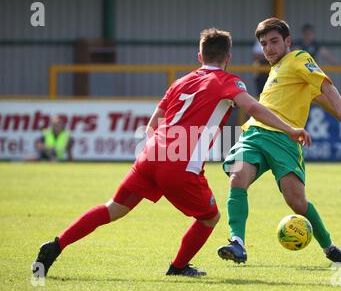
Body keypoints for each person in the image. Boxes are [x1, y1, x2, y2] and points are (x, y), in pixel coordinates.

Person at [32, 28, 311, 278]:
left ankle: (57, 244)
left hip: (149, 156)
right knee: (209, 217)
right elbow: (254, 109)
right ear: (228, 57)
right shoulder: (230, 82)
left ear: (199, 55)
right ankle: (178, 267)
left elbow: (154, 123)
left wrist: (154, 160)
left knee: (112, 209)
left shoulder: (180, 82)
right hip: (180, 164)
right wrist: (290, 129)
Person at [217, 18, 341, 265]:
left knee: (296, 201)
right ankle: (237, 243)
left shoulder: (299, 58)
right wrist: (340, 116)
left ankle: (330, 248)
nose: (269, 48)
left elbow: (324, 89)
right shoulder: (274, 70)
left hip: (285, 140)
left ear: (288, 41)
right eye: (264, 43)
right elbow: (320, 97)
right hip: (255, 134)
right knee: (237, 177)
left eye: (274, 41)